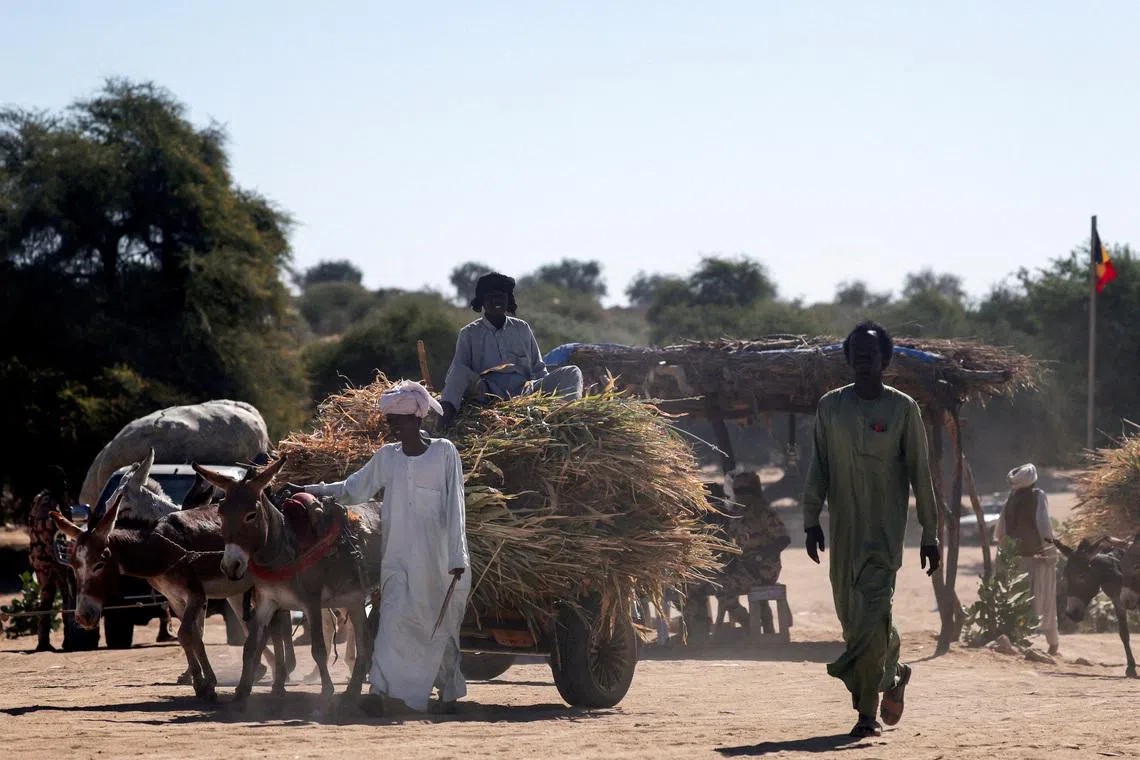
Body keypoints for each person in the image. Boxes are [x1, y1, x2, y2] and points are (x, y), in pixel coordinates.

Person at [802, 321, 941, 738]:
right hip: (843, 536)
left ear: (885, 360)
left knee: (873, 615)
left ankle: (866, 714)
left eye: (871, 353)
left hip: (884, 536)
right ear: (848, 359)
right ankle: (894, 674)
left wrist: (930, 533)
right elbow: (818, 467)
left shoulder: (902, 410)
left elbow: (921, 473)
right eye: (856, 353)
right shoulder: (830, 407)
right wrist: (810, 520)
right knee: (856, 623)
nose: (864, 359)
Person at [299, 380, 470, 715]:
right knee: (391, 624)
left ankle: (448, 693)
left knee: (440, 630)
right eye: (392, 422)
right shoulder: (386, 458)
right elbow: (352, 489)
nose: (394, 428)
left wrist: (457, 556)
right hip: (397, 560)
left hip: (440, 563)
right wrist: (309, 489)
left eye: (400, 421)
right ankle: (381, 692)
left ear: (417, 420)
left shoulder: (444, 452)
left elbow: (456, 508)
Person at [439, 271, 583, 429]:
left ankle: (568, 421)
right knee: (459, 371)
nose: (496, 301)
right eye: (491, 296)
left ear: (508, 300)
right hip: (487, 394)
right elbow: (457, 373)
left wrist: (545, 392)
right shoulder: (469, 333)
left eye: (501, 296)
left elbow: (538, 368)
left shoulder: (522, 328)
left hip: (525, 392)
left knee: (572, 372)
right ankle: (443, 424)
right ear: (482, 301)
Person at [994, 463, 1060, 655]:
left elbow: (1001, 529)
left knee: (1016, 598)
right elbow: (1044, 525)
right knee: (1046, 600)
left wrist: (1005, 552)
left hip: (1015, 559)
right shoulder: (1038, 496)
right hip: (1037, 558)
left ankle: (1016, 639)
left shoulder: (1012, 498)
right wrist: (1050, 553)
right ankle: (1053, 643)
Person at [717, 470, 790, 634]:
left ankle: (755, 627)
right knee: (718, 585)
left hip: (764, 569)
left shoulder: (764, 512)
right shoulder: (735, 515)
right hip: (744, 569)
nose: (743, 496)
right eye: (739, 492)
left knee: (723, 589)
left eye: (746, 491)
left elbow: (783, 539)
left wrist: (761, 556)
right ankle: (750, 624)